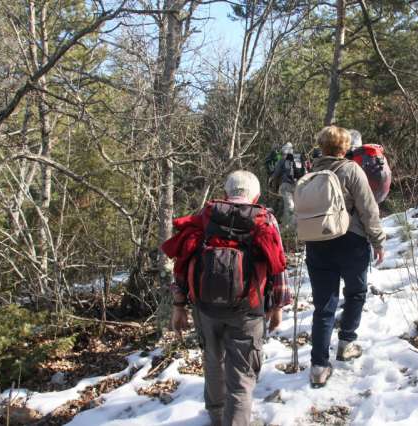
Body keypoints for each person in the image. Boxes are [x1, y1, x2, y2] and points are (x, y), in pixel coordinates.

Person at [164, 171, 291, 426]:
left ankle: (217, 416)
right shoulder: (264, 219)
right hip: (248, 309)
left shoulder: (206, 216)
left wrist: (179, 305)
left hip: (206, 308)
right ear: (256, 196)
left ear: (226, 193)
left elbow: (183, 261)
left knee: (213, 361)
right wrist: (277, 305)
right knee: (241, 375)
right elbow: (277, 265)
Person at [305, 126, 386, 388]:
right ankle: (346, 343)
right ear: (345, 147)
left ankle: (318, 366)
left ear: (322, 146)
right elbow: (368, 209)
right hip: (351, 242)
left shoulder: (310, 174)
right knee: (356, 292)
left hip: (317, 244)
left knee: (323, 306)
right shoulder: (352, 170)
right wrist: (378, 241)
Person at [270, 142, 307, 228]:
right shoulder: (297, 159)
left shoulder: (282, 160)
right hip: (298, 185)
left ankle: (288, 227)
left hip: (286, 185)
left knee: (289, 206)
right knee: (294, 206)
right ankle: (295, 225)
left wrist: (271, 180)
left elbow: (276, 173)